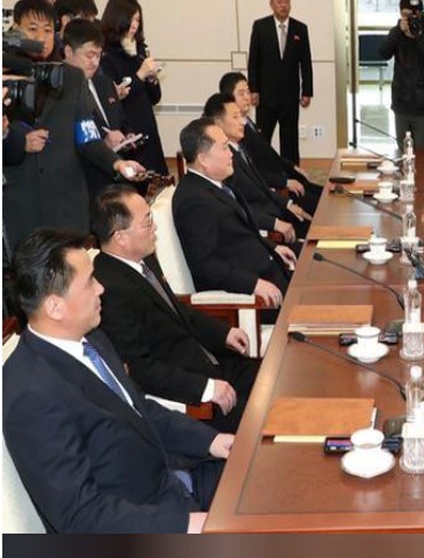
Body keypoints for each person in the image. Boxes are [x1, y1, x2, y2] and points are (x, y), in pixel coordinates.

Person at [3, 228, 232, 533]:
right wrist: (184, 524)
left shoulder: (93, 338)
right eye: (89, 283)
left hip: (175, 480)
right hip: (143, 525)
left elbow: (141, 410)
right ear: (54, 307)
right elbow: (80, 516)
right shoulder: (31, 394)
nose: (101, 289)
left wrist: (212, 440)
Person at [91, 185, 259, 434]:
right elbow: (140, 369)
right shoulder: (108, 289)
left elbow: (177, 311)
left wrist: (222, 332)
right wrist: (206, 388)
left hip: (212, 363)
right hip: (193, 393)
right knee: (267, 420)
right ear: (121, 237)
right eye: (147, 222)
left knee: (278, 377)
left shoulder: (142, 259)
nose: (155, 228)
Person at [3, 0, 145, 252]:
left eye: (48, 29)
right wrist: (17, 140)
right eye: (32, 29)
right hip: (19, 201)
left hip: (66, 203)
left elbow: (87, 136)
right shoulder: (5, 76)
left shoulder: (72, 78)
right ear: (15, 30)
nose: (41, 36)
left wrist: (117, 163)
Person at [172, 118, 294, 321]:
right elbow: (206, 266)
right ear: (203, 159)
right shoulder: (194, 201)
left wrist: (272, 248)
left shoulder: (216, 185)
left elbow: (241, 233)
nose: (231, 154)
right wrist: (254, 284)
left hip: (270, 272)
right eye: (224, 148)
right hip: (251, 298)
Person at [202, 93, 307, 245]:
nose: (242, 123)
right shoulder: (223, 163)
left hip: (277, 212)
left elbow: (263, 187)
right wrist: (274, 222)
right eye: (235, 117)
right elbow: (237, 206)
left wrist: (288, 204)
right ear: (218, 123)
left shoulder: (239, 149)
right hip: (265, 225)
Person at [219, 71, 320, 216]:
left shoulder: (248, 123)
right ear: (228, 98)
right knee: (322, 207)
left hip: (284, 178)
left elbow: (270, 154)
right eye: (241, 94)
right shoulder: (236, 135)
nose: (247, 97)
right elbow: (255, 172)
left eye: (248, 92)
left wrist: (293, 167)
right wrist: (285, 182)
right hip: (277, 189)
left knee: (327, 195)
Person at [62, 19, 136, 200]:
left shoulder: (104, 83)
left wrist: (127, 136)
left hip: (114, 180)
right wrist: (104, 141)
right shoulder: (59, 90)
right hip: (81, 184)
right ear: (69, 52)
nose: (95, 62)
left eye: (98, 55)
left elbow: (120, 121)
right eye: (89, 55)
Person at [100, 0, 168, 180]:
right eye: (130, 19)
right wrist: (139, 75)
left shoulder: (138, 51)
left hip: (147, 127)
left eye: (138, 20)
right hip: (127, 131)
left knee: (158, 182)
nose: (134, 25)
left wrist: (152, 80)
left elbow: (154, 98)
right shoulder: (107, 56)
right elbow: (113, 97)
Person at [247, 0, 313, 165]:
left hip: (290, 97)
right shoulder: (260, 27)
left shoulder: (300, 29)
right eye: (279, 1)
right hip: (266, 97)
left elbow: (306, 62)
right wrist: (253, 90)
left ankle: (293, 177)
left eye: (286, 0)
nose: (283, 5)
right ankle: (263, 178)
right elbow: (253, 61)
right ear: (271, 3)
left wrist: (307, 91)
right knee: (262, 141)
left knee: (290, 142)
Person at [379, 0, 424, 150]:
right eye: (405, 15)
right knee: (403, 151)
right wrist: (397, 32)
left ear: (420, 13)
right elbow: (383, 53)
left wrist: (419, 37)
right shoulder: (397, 33)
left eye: (412, 15)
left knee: (422, 153)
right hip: (401, 102)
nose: (409, 19)